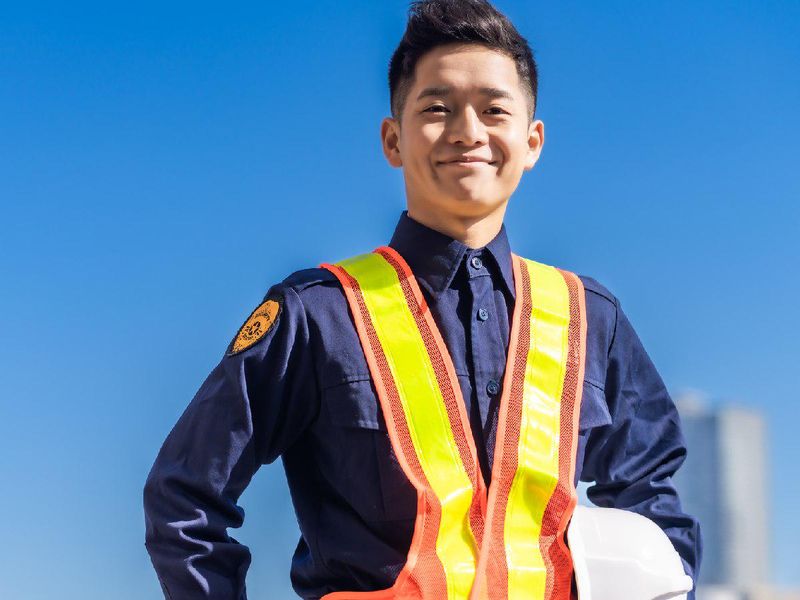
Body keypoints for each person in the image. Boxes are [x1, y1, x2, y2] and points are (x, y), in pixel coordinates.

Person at [142, 1, 702, 598]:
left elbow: (655, 509)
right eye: (437, 108)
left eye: (494, 110)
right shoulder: (317, 315)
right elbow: (185, 497)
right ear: (393, 139)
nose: (468, 131)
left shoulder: (591, 319)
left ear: (532, 141)